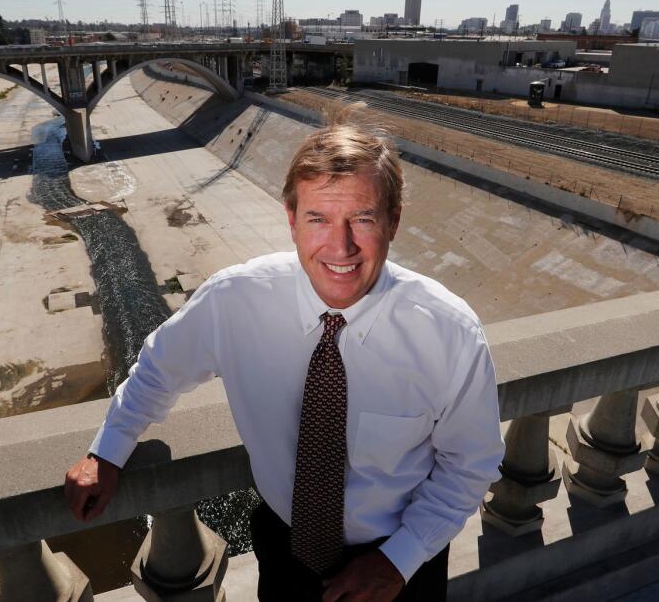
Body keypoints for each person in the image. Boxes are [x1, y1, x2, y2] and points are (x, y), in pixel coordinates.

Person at [65, 114, 504, 601]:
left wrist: (397, 561)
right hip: (284, 550)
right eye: (318, 219)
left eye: (362, 219)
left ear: (393, 221)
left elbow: (470, 464)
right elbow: (158, 368)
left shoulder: (449, 332)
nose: (341, 247)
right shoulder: (234, 300)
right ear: (291, 219)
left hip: (402, 563)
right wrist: (108, 448)